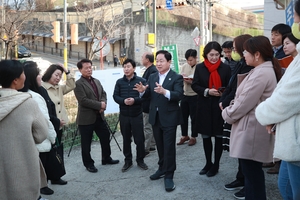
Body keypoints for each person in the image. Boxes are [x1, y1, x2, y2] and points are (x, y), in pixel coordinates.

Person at [222, 36, 282, 200]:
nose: (243, 55)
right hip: (252, 128)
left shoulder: (261, 73)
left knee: (252, 177)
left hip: (251, 130)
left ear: (257, 54)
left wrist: (226, 113)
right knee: (252, 176)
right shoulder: (261, 70)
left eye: (246, 52)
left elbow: (243, 103)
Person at [255, 2, 300, 199]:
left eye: (297, 18)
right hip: (291, 139)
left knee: (292, 191)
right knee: (285, 186)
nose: (295, 22)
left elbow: (288, 96)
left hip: (296, 141)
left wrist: (265, 114)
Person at [134, 50, 183, 192]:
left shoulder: (176, 77)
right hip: (155, 117)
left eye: (162, 60)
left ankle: (169, 175)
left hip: (169, 118)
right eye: (158, 60)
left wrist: (165, 92)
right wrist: (143, 90)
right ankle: (162, 168)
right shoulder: (153, 76)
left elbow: (179, 95)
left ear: (169, 62)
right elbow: (148, 94)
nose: (159, 63)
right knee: (160, 146)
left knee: (169, 147)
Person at [0, 60, 48, 200]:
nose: (25, 76)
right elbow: (41, 134)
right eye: (22, 73)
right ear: (15, 80)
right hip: (23, 166)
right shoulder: (27, 103)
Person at [219, 34, 253, 199]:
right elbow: (232, 86)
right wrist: (223, 100)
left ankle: (248, 184)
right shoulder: (241, 63)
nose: (232, 50)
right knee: (239, 149)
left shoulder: (251, 67)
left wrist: (227, 104)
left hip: (241, 112)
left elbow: (240, 93)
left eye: (234, 47)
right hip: (232, 106)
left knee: (245, 152)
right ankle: (241, 179)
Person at [191, 41, 231, 177]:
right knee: (206, 137)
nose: (214, 57)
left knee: (219, 137)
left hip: (219, 106)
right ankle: (208, 162)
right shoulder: (200, 68)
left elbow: (230, 88)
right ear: (205, 55)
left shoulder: (225, 68)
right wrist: (207, 91)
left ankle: (216, 164)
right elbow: (195, 85)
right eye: (211, 55)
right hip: (204, 106)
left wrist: (222, 93)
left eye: (216, 54)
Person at [74, 59, 119, 173]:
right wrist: (99, 105)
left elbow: (103, 94)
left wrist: (103, 105)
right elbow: (83, 100)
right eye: (86, 68)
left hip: (99, 116)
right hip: (86, 118)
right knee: (86, 143)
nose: (89, 69)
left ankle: (106, 158)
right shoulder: (78, 84)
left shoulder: (96, 81)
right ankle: (89, 164)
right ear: (80, 70)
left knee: (105, 136)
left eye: (90, 67)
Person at [20, 61, 58, 195]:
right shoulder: (35, 97)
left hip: (27, 142)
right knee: (38, 172)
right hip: (40, 141)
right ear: (31, 77)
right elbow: (44, 121)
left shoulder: (23, 94)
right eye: (38, 74)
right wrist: (53, 137)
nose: (40, 76)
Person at [113, 58, 148, 172]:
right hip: (124, 115)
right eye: (124, 67)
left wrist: (135, 100)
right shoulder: (119, 82)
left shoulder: (141, 81)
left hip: (136, 114)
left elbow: (146, 97)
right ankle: (128, 161)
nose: (126, 69)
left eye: (128, 66)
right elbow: (115, 96)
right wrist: (123, 101)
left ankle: (140, 160)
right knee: (126, 139)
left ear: (134, 68)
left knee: (139, 139)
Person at [42, 64, 75, 184]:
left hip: (59, 125)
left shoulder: (59, 88)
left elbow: (72, 85)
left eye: (60, 76)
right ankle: (44, 180)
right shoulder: (42, 88)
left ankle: (56, 177)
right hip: (48, 125)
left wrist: (67, 72)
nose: (58, 78)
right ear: (49, 73)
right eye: (56, 74)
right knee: (46, 153)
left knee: (56, 151)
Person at [265, 23, 291, 174]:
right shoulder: (274, 52)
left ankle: (279, 163)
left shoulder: (285, 54)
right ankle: (275, 159)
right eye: (272, 33)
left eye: (276, 34)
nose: (273, 37)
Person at [177, 49, 198, 146]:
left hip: (195, 95)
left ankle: (193, 136)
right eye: (188, 60)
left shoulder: (200, 67)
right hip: (185, 95)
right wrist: (182, 77)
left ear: (195, 58)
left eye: (191, 60)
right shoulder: (184, 66)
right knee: (183, 117)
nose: (189, 62)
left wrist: (191, 81)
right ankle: (184, 135)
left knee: (194, 117)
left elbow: (201, 82)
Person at [141, 52, 158, 156]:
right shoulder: (150, 70)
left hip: (149, 103)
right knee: (150, 125)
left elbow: (149, 88)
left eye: (142, 57)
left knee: (147, 126)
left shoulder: (152, 71)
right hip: (148, 103)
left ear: (147, 59)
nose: (141, 59)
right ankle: (151, 145)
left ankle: (146, 148)